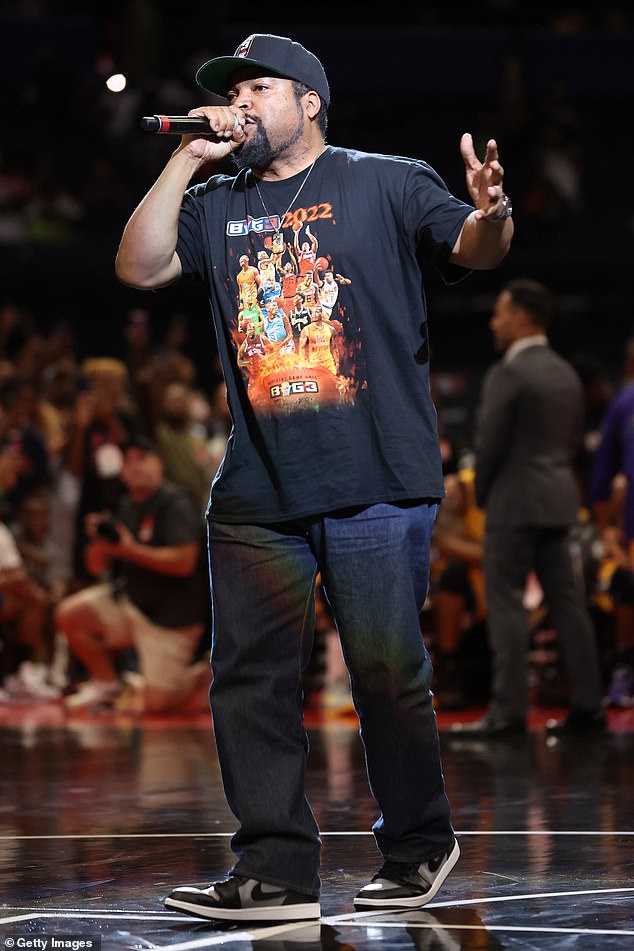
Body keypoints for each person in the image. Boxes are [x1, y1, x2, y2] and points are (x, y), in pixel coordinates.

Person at [115, 33, 513, 922]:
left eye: (261, 86)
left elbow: (478, 247)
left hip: (374, 473)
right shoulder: (216, 200)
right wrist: (187, 155)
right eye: (232, 91)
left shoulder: (387, 179)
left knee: (383, 672)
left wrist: (494, 211)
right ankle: (275, 873)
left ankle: (420, 841)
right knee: (248, 679)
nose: (243, 102)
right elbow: (137, 266)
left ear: (311, 100)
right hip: (257, 490)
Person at [452, 279, 605, 738]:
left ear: (521, 318)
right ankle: (589, 708)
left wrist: (481, 496)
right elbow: (571, 444)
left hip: (514, 503)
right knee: (569, 605)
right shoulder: (564, 372)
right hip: (559, 501)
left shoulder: (508, 373)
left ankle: (509, 711)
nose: (493, 322)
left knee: (506, 606)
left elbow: (491, 446)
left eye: (500, 313)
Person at [55, 434, 210, 715]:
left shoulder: (175, 502)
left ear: (159, 464)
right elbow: (95, 567)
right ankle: (107, 685)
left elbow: (184, 562)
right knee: (69, 614)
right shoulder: (126, 505)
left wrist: (129, 550)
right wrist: (99, 543)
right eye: (128, 461)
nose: (135, 466)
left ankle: (201, 674)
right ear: (122, 472)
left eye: (143, 458)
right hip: (133, 604)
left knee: (158, 706)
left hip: (171, 620)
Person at [586, 333, 634, 707]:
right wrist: (607, 535)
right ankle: (624, 669)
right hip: (630, 536)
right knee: (625, 586)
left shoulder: (621, 403)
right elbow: (603, 480)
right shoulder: (624, 404)